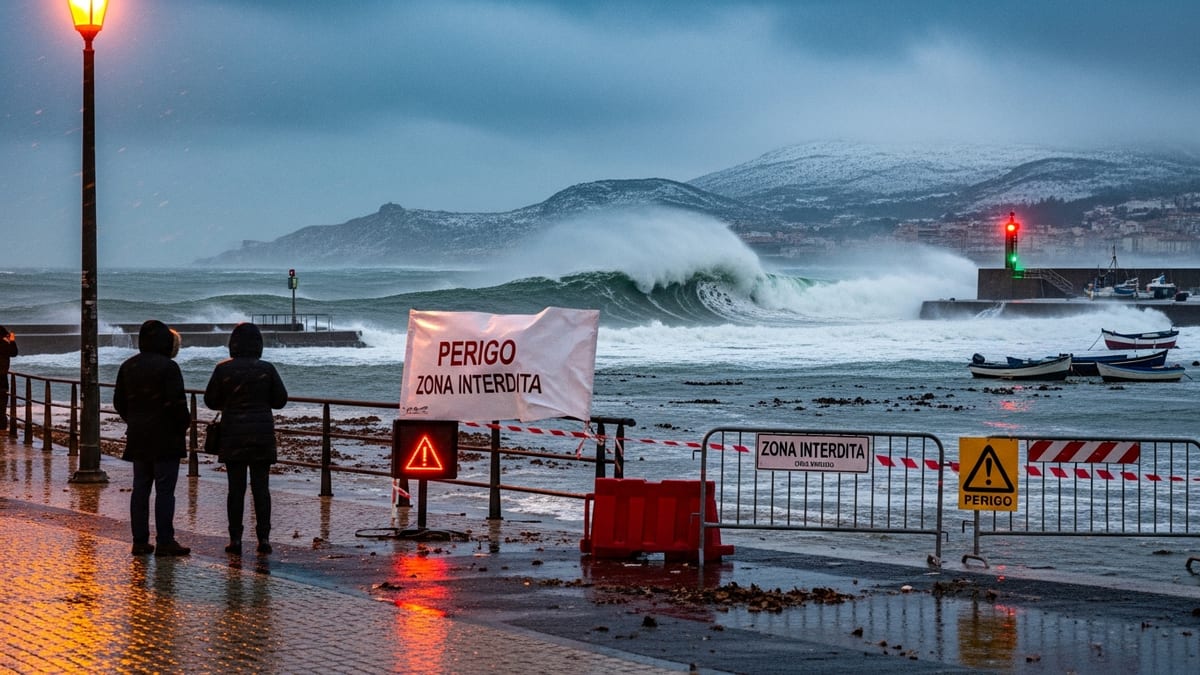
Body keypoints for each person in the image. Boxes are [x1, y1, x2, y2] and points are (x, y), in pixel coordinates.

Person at [204, 322, 288, 555]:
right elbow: (280, 400)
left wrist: (230, 403)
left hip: (233, 435)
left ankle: (235, 539)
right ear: (259, 344)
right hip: (261, 435)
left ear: (233, 344)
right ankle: (264, 538)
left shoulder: (223, 370)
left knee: (235, 489)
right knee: (262, 489)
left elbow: (210, 401)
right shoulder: (267, 369)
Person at [112, 320, 192, 556]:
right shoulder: (168, 367)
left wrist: (134, 420)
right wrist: (182, 426)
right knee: (165, 490)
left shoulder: (128, 366)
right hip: (166, 437)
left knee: (140, 488)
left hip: (138, 435)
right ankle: (165, 540)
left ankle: (139, 541)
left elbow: (119, 402)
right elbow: (177, 404)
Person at [0, 325, 16, 431]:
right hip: (2, 378)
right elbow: (14, 353)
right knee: (1, 404)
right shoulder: (4, 344)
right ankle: (2, 427)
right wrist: (12, 341)